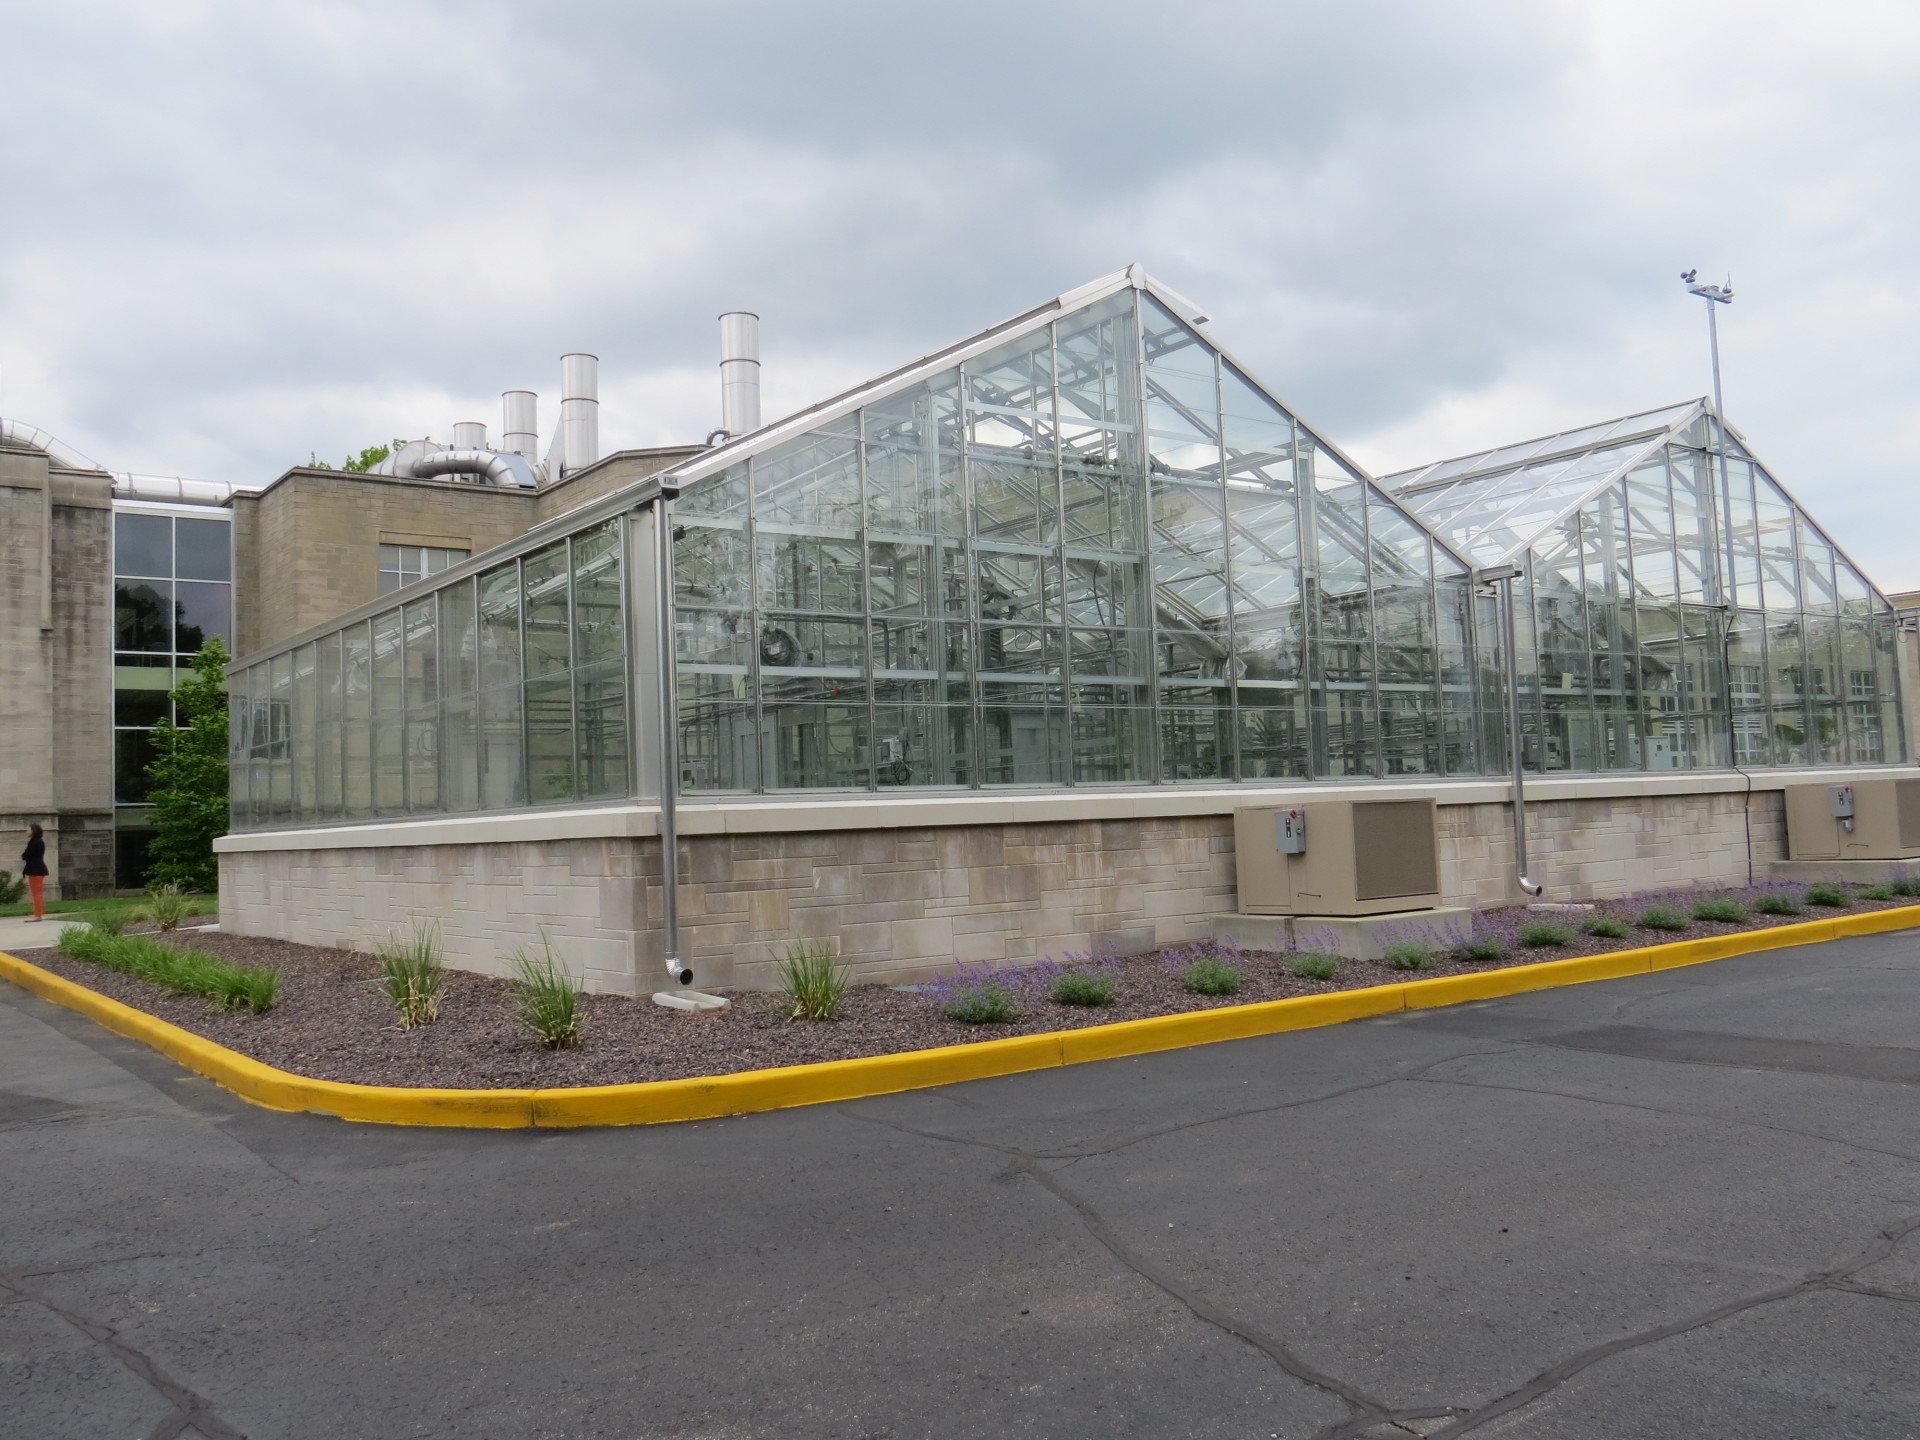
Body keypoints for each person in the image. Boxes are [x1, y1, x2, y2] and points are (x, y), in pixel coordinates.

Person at [20, 824, 48, 922]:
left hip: (36, 870)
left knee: (36, 893)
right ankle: (38, 914)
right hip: (37, 869)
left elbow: (26, 855)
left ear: (33, 831)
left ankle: (37, 915)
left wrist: (24, 855)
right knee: (37, 893)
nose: (26, 831)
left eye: (28, 829)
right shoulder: (37, 841)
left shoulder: (35, 842)